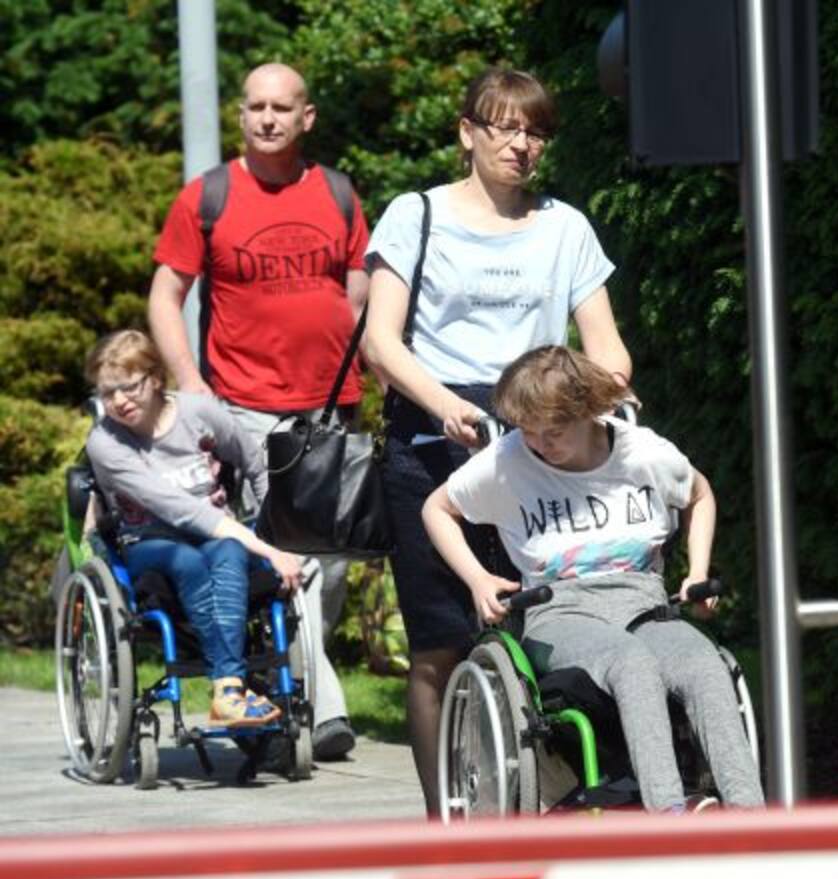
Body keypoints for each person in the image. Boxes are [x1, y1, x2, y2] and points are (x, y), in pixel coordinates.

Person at [363, 67, 633, 813]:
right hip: (432, 437)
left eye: (536, 131)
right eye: (506, 128)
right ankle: (445, 823)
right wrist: (444, 404)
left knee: (550, 624)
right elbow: (381, 340)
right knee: (440, 643)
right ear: (468, 133)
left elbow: (607, 348)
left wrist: (599, 395)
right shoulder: (415, 214)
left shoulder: (566, 227)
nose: (522, 145)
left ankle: (560, 795)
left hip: (540, 431)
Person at [423, 346, 765, 812]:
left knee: (704, 664)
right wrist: (478, 579)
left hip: (644, 603)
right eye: (528, 431)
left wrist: (698, 571)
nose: (539, 443)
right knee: (631, 663)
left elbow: (699, 494)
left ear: (588, 411)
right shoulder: (508, 460)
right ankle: (669, 813)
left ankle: (749, 815)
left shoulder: (641, 451)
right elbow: (437, 509)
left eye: (553, 432)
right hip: (561, 609)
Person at [147, 62, 367, 760]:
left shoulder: (338, 193)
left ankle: (281, 678)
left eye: (281, 108)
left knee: (330, 564)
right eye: (255, 107)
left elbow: (359, 290)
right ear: (241, 115)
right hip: (244, 409)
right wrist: (192, 385)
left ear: (306, 117)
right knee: (290, 557)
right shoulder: (207, 197)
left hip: (330, 412)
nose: (267, 118)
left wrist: (360, 365)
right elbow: (165, 294)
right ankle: (322, 707)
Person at [84, 330, 305, 727]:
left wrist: (276, 535)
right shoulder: (105, 443)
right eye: (107, 393)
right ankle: (229, 684)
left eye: (129, 387)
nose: (119, 401)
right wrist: (269, 551)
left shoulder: (200, 413)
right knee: (186, 560)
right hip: (148, 540)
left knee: (230, 550)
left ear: (155, 378)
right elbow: (180, 510)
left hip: (215, 536)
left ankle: (227, 690)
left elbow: (256, 466)